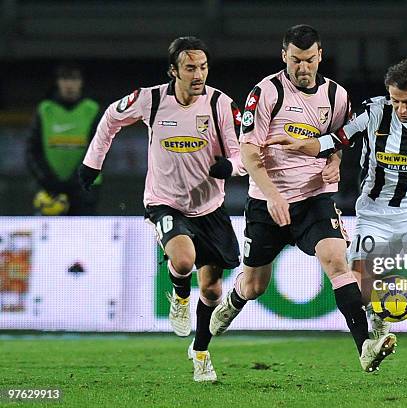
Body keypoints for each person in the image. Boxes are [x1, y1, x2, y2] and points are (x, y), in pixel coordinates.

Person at [265, 58, 407, 390]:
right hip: (373, 214)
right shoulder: (374, 112)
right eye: (396, 100)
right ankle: (378, 320)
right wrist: (303, 146)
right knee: (359, 284)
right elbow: (336, 139)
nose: (401, 109)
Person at [208, 24, 397, 373]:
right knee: (254, 286)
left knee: (338, 262)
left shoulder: (337, 97)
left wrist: (334, 164)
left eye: (309, 60)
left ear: (320, 56)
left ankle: (365, 348)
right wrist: (273, 195)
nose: (303, 68)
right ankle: (234, 301)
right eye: (296, 60)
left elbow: (339, 141)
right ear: (284, 56)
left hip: (315, 199)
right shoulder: (265, 93)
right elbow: (249, 152)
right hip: (268, 203)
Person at [78, 36, 245, 382]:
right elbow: (111, 117)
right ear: (173, 71)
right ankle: (180, 297)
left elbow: (242, 151)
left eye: (203, 67)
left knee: (213, 290)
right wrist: (93, 162)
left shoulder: (220, 105)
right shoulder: (150, 99)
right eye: (190, 68)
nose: (198, 74)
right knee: (183, 260)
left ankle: (200, 352)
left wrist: (231, 167)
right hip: (164, 201)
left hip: (210, 207)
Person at [27, 62, 101, 215]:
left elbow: (100, 148)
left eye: (74, 79)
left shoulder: (92, 109)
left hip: (84, 187)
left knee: (84, 234)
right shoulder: (45, 109)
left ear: (81, 82)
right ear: (58, 82)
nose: (69, 84)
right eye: (64, 79)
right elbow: (32, 149)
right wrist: (46, 178)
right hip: (49, 187)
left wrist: (78, 178)